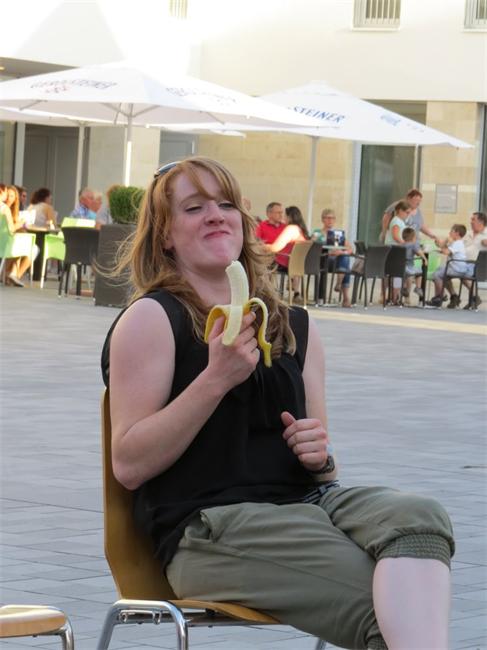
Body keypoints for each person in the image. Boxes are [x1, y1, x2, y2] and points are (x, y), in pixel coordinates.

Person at [101, 156, 454, 650]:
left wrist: (319, 456)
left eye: (226, 204)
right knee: (394, 613)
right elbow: (129, 464)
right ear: (164, 235)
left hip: (309, 506)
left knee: (422, 517)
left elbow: (323, 469)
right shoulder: (153, 319)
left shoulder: (294, 325)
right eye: (194, 207)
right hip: (211, 528)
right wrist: (215, 379)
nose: (216, 215)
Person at [311, 208, 352, 307]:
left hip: (336, 261)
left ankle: (339, 285)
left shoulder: (337, 234)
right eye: (328, 218)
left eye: (333, 218)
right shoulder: (317, 233)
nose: (330, 220)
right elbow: (312, 246)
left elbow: (350, 249)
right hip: (322, 260)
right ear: (323, 219)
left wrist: (341, 252)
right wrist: (328, 251)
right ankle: (345, 297)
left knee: (345, 258)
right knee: (345, 264)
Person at [1, 185, 38, 286]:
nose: (9, 198)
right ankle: (10, 275)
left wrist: (21, 226)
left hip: (9, 240)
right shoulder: (4, 209)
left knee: (32, 248)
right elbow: (11, 228)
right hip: (4, 241)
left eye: (12, 196)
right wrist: (20, 224)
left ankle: (14, 276)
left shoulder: (14, 210)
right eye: (8, 195)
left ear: (16, 198)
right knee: (28, 247)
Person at [427, 224, 469, 309]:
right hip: (456, 267)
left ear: (457, 233)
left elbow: (446, 252)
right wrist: (441, 243)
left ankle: (439, 297)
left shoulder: (457, 243)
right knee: (439, 271)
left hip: (456, 269)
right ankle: (446, 296)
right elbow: (445, 249)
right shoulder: (456, 243)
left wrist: (445, 242)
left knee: (437, 275)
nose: (449, 233)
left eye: (451, 231)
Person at [462, 211, 487, 309]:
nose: (471, 222)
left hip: (477, 265)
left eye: (473, 220)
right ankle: (453, 296)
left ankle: (474, 297)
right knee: (443, 272)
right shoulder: (468, 234)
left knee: (458, 271)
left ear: (481, 222)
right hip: (463, 262)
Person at [401, 227, 427, 302]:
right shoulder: (413, 245)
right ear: (413, 238)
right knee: (419, 271)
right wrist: (425, 259)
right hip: (409, 268)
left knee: (406, 275)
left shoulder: (401, 245)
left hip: (400, 268)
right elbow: (419, 252)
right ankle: (418, 287)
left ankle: (404, 288)